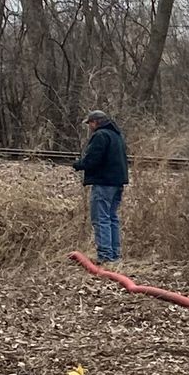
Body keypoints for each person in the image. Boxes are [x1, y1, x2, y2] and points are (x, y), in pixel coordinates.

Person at [74, 110, 130, 263]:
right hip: (117, 183)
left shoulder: (100, 136)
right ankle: (115, 255)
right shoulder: (116, 135)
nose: (90, 126)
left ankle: (105, 255)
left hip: (103, 183)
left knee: (101, 218)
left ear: (96, 122)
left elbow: (92, 159)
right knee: (112, 217)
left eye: (90, 123)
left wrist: (78, 165)